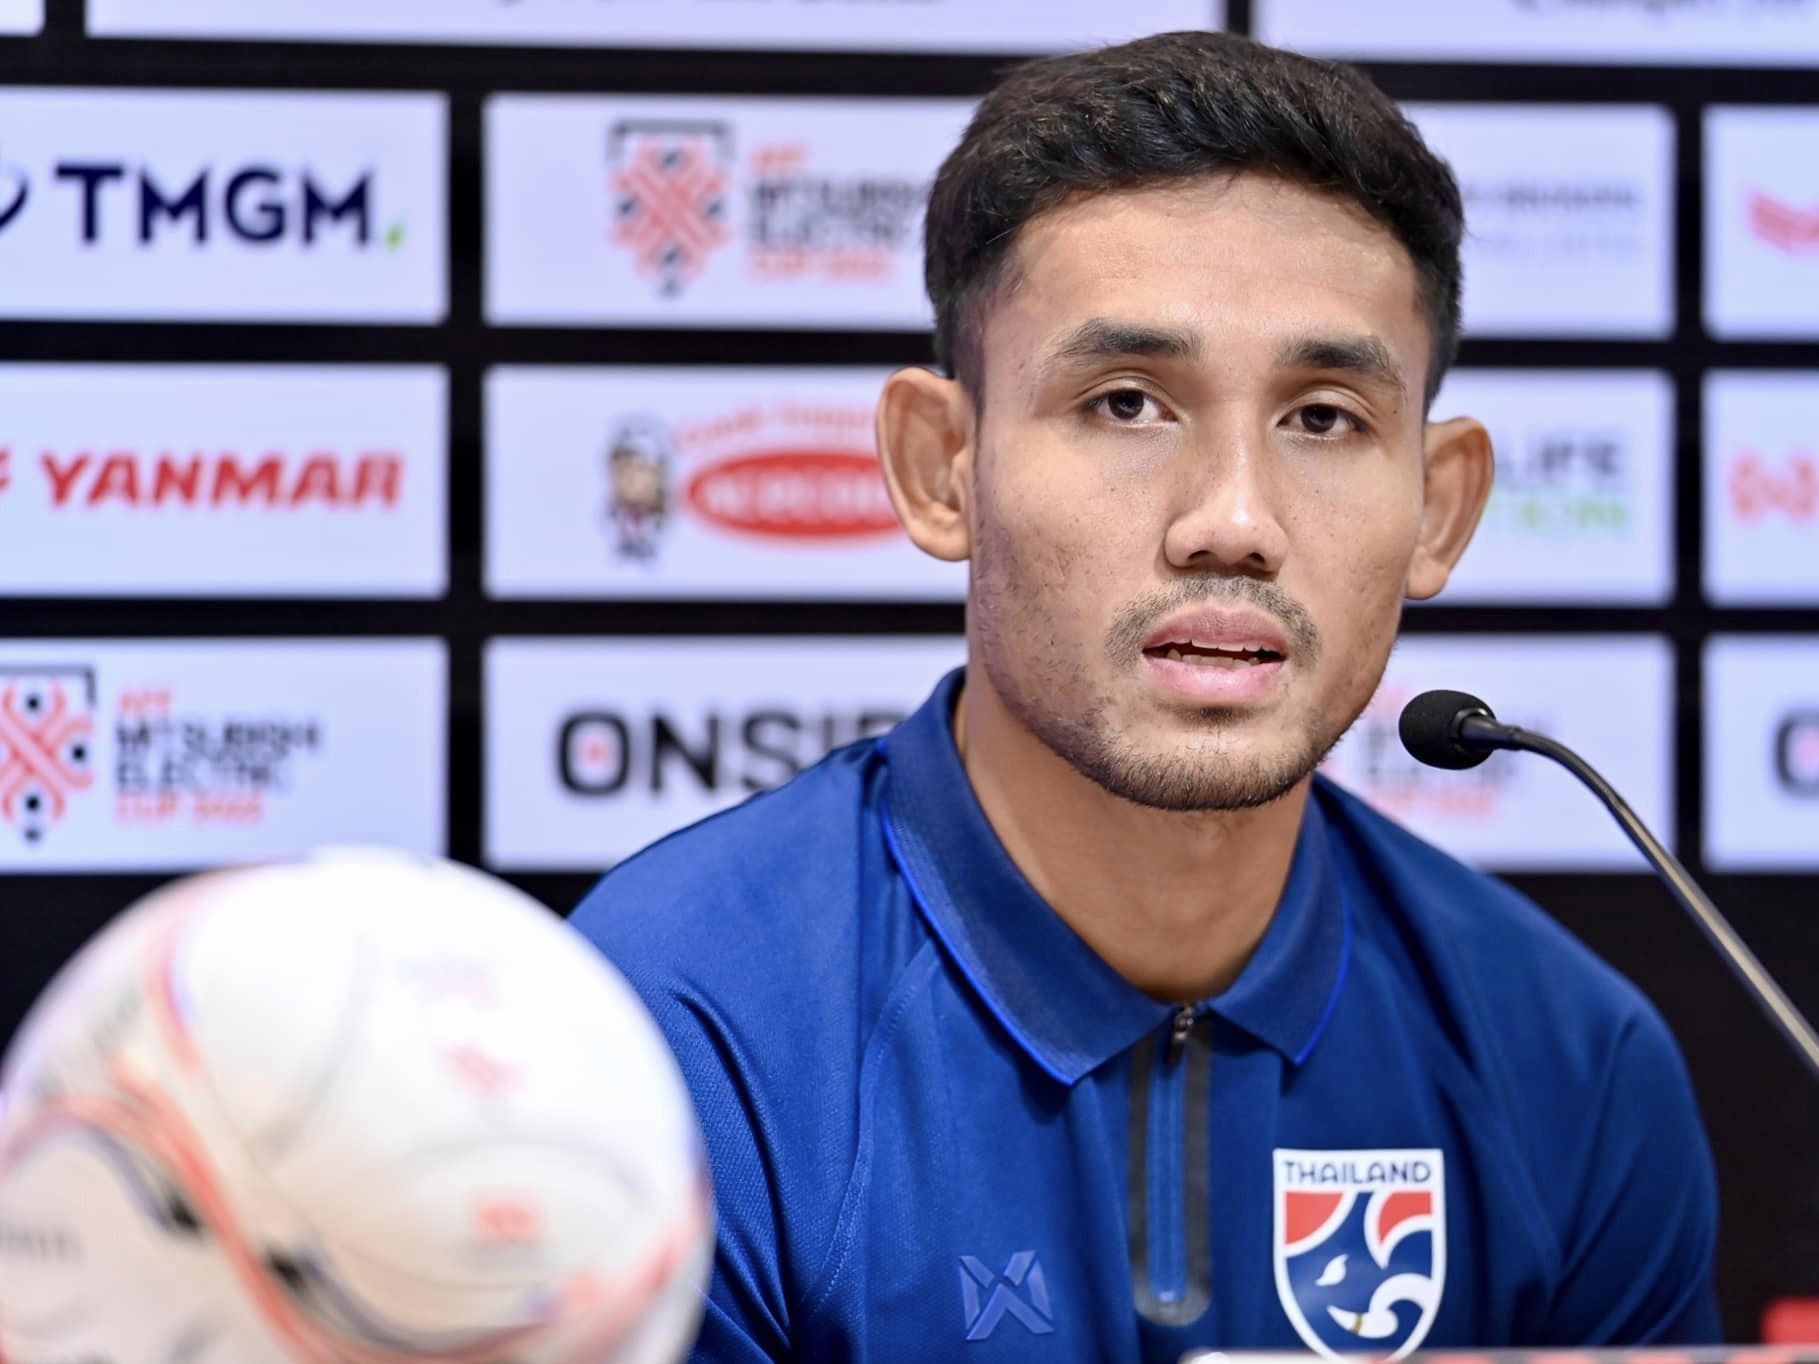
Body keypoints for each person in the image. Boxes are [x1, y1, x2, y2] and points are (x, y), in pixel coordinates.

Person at [572, 30, 1719, 1362]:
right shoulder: (671, 1038)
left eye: (1324, 418)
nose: (1232, 522)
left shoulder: (1571, 1066)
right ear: (943, 468)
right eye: (1126, 403)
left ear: (1439, 505)